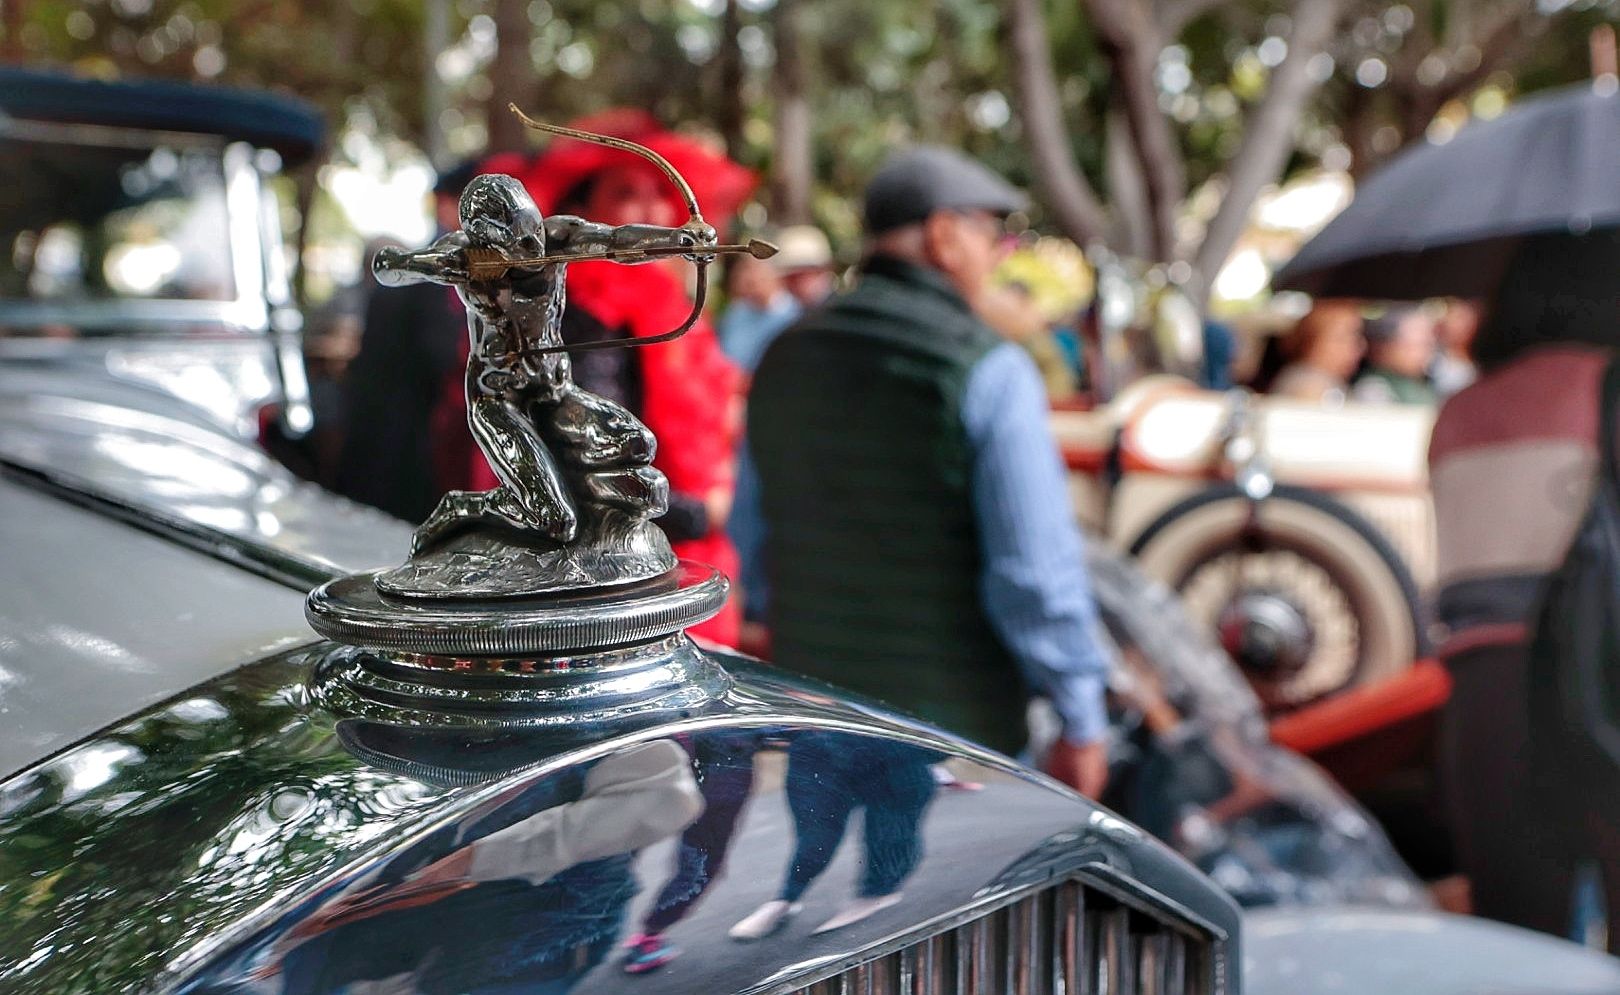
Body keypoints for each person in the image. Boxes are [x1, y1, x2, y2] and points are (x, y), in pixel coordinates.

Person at [748, 146, 1115, 797]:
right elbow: (1033, 577)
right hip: (955, 744)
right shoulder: (988, 369)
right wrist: (1082, 718)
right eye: (991, 232)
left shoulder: (784, 354)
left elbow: (753, 537)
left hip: (812, 727)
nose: (999, 253)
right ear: (944, 234)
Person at [468, 112, 754, 645]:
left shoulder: (668, 308)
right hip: (631, 577)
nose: (650, 210)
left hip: (678, 559)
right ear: (586, 213)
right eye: (626, 193)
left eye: (657, 195)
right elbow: (582, 465)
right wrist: (700, 513)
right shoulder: (584, 313)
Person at [1429, 227, 1620, 945]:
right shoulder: (1606, 382)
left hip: (1484, 700)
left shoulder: (1458, 412)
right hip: (1602, 683)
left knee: (1516, 944)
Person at [334, 166, 474, 521]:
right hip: (402, 454)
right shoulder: (429, 279)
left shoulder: (428, 276)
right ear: (448, 207)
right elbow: (440, 359)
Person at [717, 250, 801, 373]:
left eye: (757, 271)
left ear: (774, 275)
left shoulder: (795, 316)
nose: (751, 277)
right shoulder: (736, 313)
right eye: (746, 271)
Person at [1267, 300, 1364, 404]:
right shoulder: (1310, 386)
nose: (1361, 346)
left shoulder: (1322, 380)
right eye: (1344, 337)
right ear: (1313, 339)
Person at [1352, 306, 1438, 406]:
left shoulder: (1424, 385)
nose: (1428, 352)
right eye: (1421, 344)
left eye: (1429, 344)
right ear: (1388, 347)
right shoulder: (1374, 388)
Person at [771, 224, 837, 309]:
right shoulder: (783, 315)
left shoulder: (844, 311)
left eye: (803, 275)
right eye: (791, 277)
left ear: (824, 270)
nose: (797, 283)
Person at [1431, 298, 1482, 398]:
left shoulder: (1484, 364)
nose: (1464, 325)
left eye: (1466, 319)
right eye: (1458, 318)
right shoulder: (1429, 362)